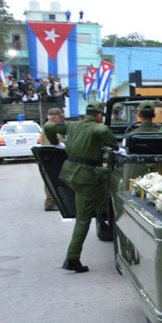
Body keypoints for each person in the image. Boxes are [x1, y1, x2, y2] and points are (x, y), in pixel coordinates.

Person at [57, 101, 119, 273]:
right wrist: (115, 146)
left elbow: (49, 128)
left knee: (103, 174)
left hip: (69, 170)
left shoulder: (72, 125)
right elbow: (103, 131)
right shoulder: (97, 127)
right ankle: (72, 258)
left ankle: (102, 213)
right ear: (99, 116)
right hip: (83, 175)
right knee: (83, 219)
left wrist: (56, 142)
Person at [42, 107, 66, 211]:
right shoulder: (50, 127)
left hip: (49, 157)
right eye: (60, 117)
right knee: (50, 180)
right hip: (50, 157)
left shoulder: (48, 126)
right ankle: (50, 203)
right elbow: (54, 143)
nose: (61, 119)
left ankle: (52, 201)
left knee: (50, 180)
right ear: (55, 117)